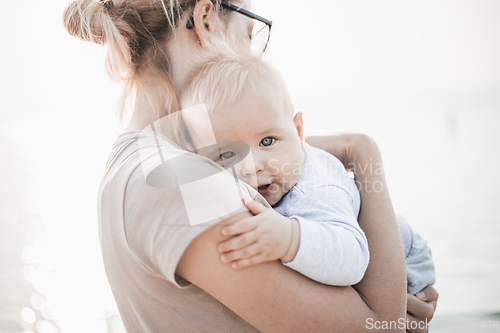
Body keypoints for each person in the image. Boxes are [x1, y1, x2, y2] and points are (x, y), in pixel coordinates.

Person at [63, 0, 438, 332]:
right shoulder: (176, 176)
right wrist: (362, 153)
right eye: (251, 30)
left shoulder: (156, 157)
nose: (252, 51)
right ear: (206, 19)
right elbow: (382, 330)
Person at [179, 53, 435, 292]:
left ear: (298, 132)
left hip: (407, 260)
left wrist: (289, 238)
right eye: (228, 155)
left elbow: (353, 258)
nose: (252, 166)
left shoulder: (316, 190)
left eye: (267, 141)